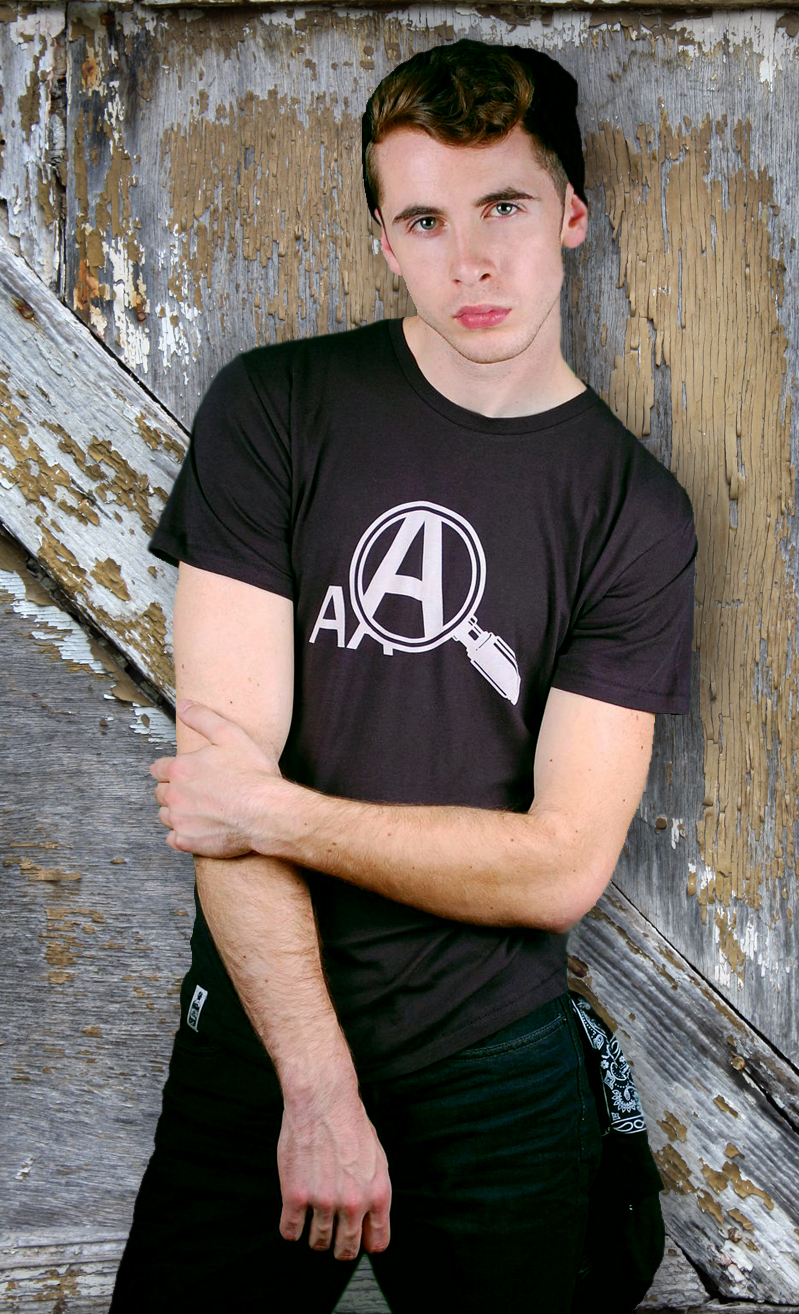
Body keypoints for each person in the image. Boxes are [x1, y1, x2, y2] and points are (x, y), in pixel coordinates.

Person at [110, 38, 696, 1314]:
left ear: (572, 215)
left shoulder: (633, 513)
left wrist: (277, 812)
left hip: (494, 1066)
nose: (469, 260)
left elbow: (559, 867)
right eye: (424, 220)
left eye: (505, 207)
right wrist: (316, 1086)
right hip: (258, 1040)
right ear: (383, 239)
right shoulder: (275, 408)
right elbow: (217, 787)